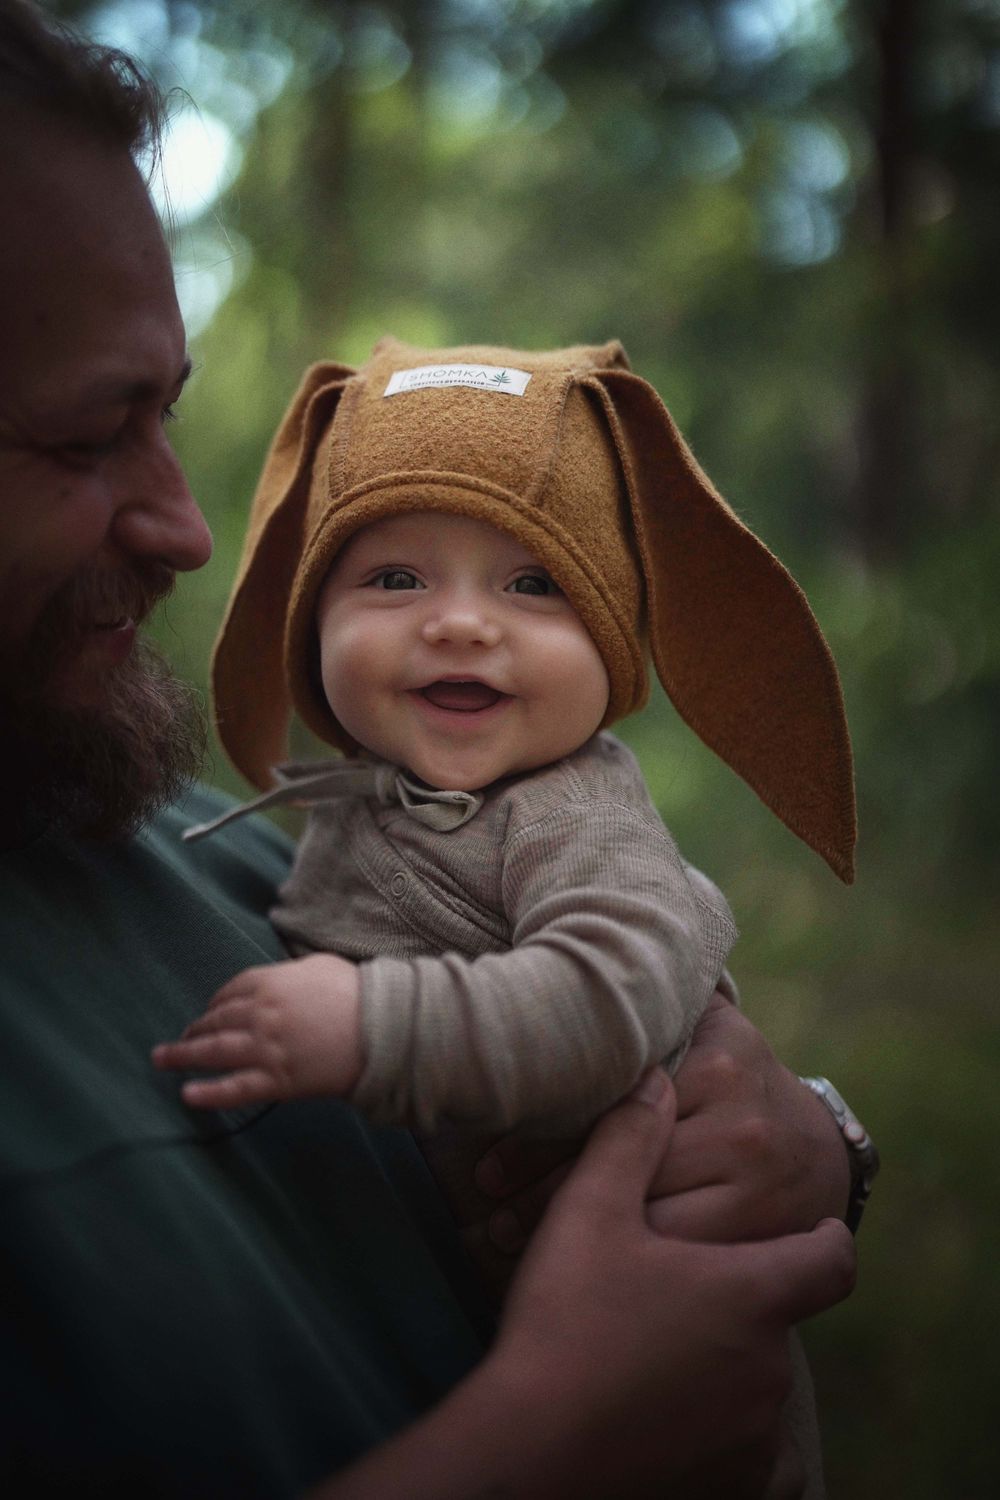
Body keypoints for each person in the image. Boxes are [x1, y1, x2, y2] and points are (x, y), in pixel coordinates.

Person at [0, 2, 862, 1496]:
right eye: (86, 439)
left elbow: (616, 991)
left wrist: (811, 1146)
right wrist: (549, 1441)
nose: (190, 533)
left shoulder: (196, 838)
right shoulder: (323, 825)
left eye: (534, 587)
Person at [152, 337, 856, 1149]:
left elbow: (616, 993)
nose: (460, 624)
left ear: (612, 638)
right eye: (396, 579)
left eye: (533, 585)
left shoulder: (572, 815)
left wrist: (370, 1030)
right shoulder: (371, 796)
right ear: (312, 624)